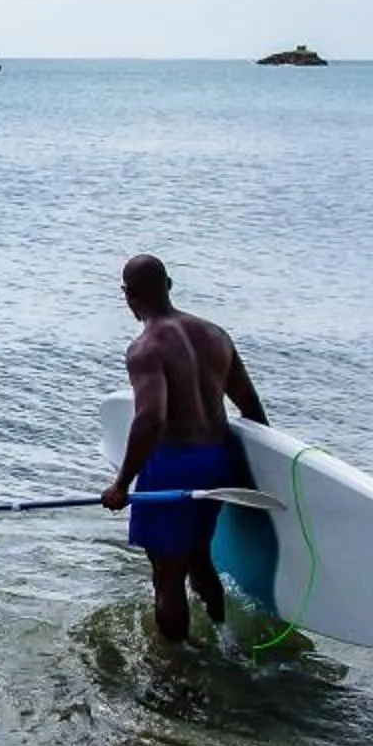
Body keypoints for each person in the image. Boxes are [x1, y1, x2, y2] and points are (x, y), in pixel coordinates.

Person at [100, 254, 267, 643]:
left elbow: (150, 419)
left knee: (166, 575)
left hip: (174, 463)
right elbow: (251, 407)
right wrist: (253, 475)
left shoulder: (145, 348)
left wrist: (122, 484)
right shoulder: (216, 335)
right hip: (217, 459)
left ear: (128, 295)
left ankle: (173, 672)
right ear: (170, 285)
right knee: (199, 557)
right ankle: (224, 639)